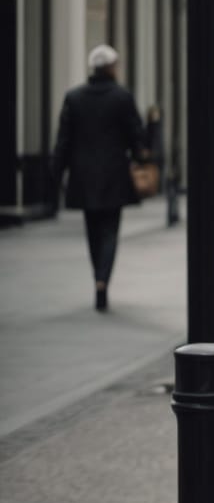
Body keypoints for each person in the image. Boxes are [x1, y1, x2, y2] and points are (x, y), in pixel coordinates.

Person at [53, 46, 147, 312]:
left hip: (83, 175)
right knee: (110, 230)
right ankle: (102, 280)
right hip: (114, 174)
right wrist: (141, 156)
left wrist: (57, 172)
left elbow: (63, 140)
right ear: (111, 67)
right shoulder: (122, 97)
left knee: (92, 229)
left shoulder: (74, 98)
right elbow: (135, 134)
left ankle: (98, 276)